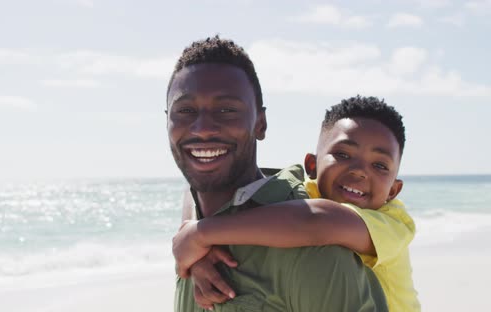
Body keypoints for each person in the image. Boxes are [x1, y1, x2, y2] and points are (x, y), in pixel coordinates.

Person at [166, 36, 388, 311]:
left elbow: (314, 223)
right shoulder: (190, 246)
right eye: (185, 110)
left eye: (227, 110)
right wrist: (196, 234)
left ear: (261, 123)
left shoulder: (313, 251)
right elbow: (193, 194)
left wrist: (200, 235)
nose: (202, 128)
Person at [173, 96, 420, 311]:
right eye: (343, 155)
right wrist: (196, 252)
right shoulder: (304, 193)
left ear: (393, 190)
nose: (360, 172)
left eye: (379, 165)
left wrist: (202, 234)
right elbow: (201, 189)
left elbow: (316, 221)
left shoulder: (394, 223)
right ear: (312, 165)